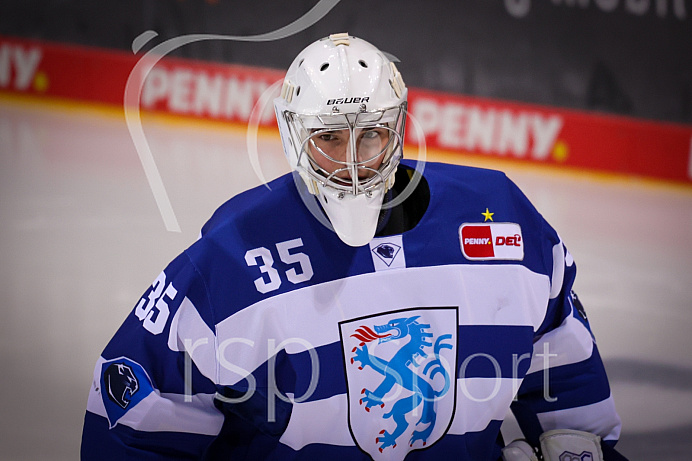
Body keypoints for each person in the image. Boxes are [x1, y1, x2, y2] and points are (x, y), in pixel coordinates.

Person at [81, 33, 627, 460]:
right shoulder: (230, 259)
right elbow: (136, 429)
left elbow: (565, 372)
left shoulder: (504, 221)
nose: (352, 161)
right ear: (295, 136)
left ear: (397, 129)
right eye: (330, 138)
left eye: (370, 134)